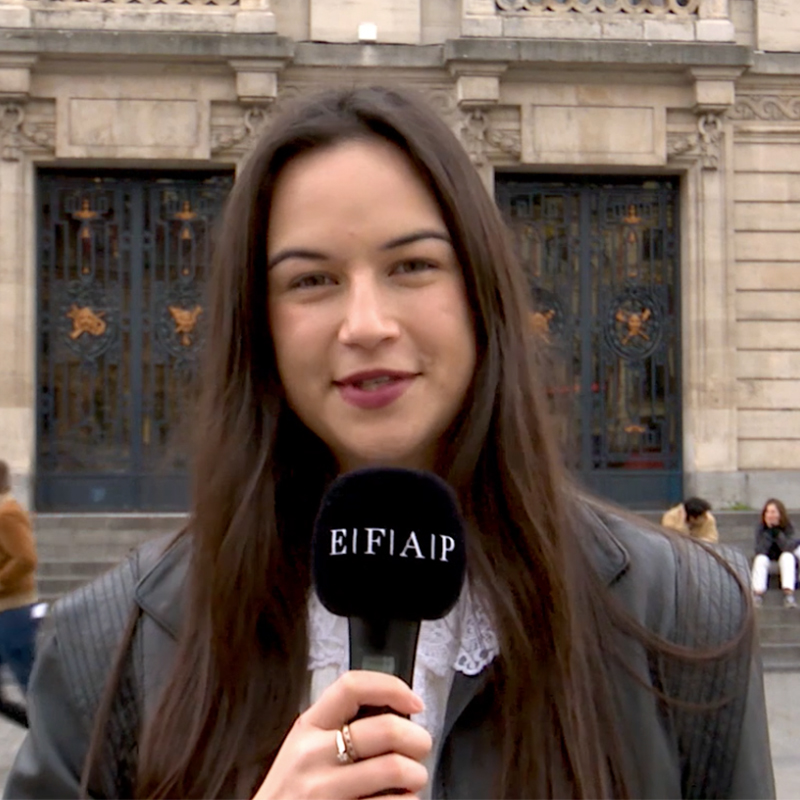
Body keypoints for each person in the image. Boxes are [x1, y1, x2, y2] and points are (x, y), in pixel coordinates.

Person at [6, 87, 772, 799]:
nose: (366, 324)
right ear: (259, 325)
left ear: (481, 293)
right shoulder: (104, 652)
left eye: (412, 266)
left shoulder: (687, 618)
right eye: (311, 280)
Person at [0, 460, 39, 695]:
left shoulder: (7, 514)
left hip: (14, 614)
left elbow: (26, 559)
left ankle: (49, 730)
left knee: (33, 686)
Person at [752, 498, 797, 609]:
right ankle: (757, 595)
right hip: (767, 555)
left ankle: (788, 595)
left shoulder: (788, 527)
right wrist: (768, 532)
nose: (769, 515)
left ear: (780, 514)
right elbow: (760, 550)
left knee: (788, 557)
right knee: (760, 559)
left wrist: (777, 533)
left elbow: (787, 547)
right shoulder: (761, 528)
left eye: (773, 512)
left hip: (783, 554)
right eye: (767, 512)